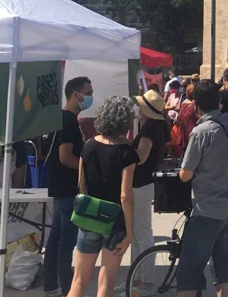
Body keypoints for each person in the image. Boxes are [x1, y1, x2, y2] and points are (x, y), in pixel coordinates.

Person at [177, 80, 228, 297]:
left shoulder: (201, 132)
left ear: (196, 104)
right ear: (220, 102)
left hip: (207, 209)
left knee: (189, 272)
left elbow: (185, 174)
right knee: (224, 273)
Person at [68, 96, 138, 297]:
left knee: (79, 280)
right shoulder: (127, 152)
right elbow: (126, 195)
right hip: (115, 221)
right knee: (106, 281)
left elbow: (81, 184)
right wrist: (130, 232)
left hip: (89, 216)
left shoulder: (88, 144)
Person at [44, 76, 92, 297]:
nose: (90, 97)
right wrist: (86, 169)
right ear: (76, 95)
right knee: (66, 242)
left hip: (59, 186)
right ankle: (67, 289)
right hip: (67, 188)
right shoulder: (69, 121)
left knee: (56, 239)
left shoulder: (57, 119)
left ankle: (51, 286)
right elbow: (65, 156)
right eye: (88, 92)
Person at [129, 88, 169, 284]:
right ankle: (138, 278)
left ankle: (146, 279)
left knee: (141, 234)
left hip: (140, 185)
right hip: (143, 184)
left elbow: (141, 157)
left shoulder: (149, 130)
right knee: (138, 233)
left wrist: (122, 156)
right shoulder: (155, 128)